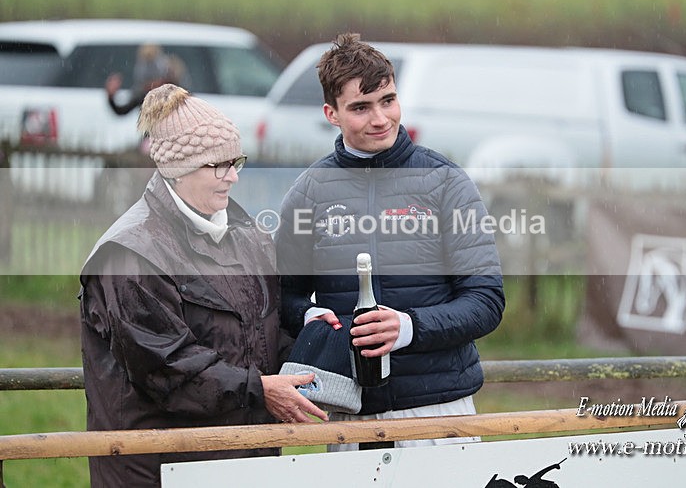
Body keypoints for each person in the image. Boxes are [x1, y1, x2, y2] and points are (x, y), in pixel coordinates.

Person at [79, 83, 328, 487]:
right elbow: (168, 368)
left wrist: (319, 343)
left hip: (244, 462)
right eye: (218, 165)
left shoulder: (248, 235)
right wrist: (260, 391)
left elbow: (262, 337)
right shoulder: (130, 254)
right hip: (157, 469)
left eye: (236, 162)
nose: (232, 177)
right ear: (178, 169)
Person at [276, 33, 505, 450]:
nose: (380, 118)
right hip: (348, 415)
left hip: (437, 411)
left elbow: (486, 301)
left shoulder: (446, 182)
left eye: (388, 100)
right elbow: (282, 299)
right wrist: (310, 318)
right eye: (361, 108)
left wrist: (409, 327)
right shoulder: (308, 191)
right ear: (332, 113)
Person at [105, 43, 176, 116]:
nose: (152, 85)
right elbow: (121, 110)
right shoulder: (141, 94)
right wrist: (111, 96)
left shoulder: (174, 94)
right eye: (148, 82)